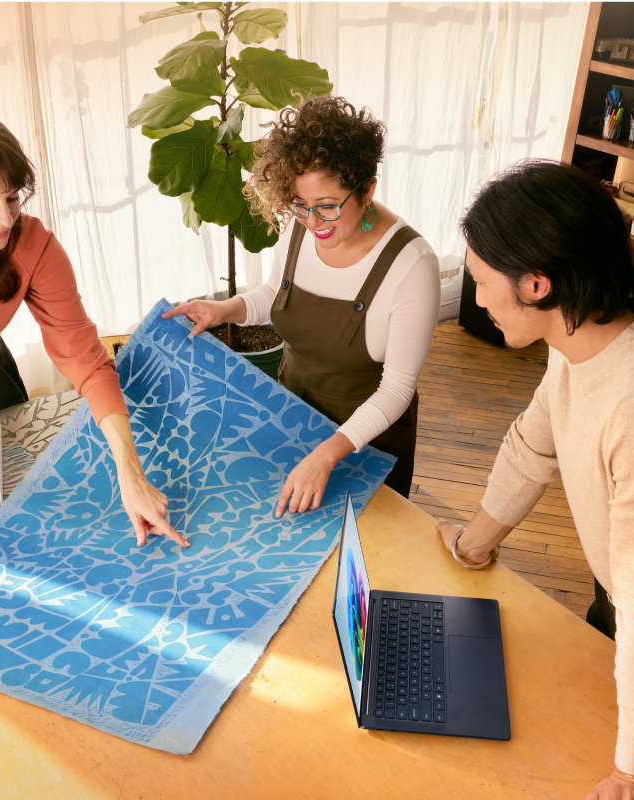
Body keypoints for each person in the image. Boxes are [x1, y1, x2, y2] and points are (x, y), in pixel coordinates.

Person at [435, 160, 634, 799]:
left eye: (484, 281)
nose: (478, 298)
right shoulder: (593, 328)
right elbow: (533, 443)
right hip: (626, 593)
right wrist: (474, 544)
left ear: (538, 284)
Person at [0, 106, 187, 550]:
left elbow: (85, 358)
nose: (4, 219)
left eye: (11, 198)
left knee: (14, 527)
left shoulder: (33, 244)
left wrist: (130, 472)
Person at [163, 95, 441, 516]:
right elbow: (276, 295)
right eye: (300, 205)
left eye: (328, 206)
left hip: (368, 440)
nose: (313, 223)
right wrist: (223, 310)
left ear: (367, 189)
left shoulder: (411, 264)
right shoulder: (302, 227)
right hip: (293, 416)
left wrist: (327, 456)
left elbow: (397, 390)